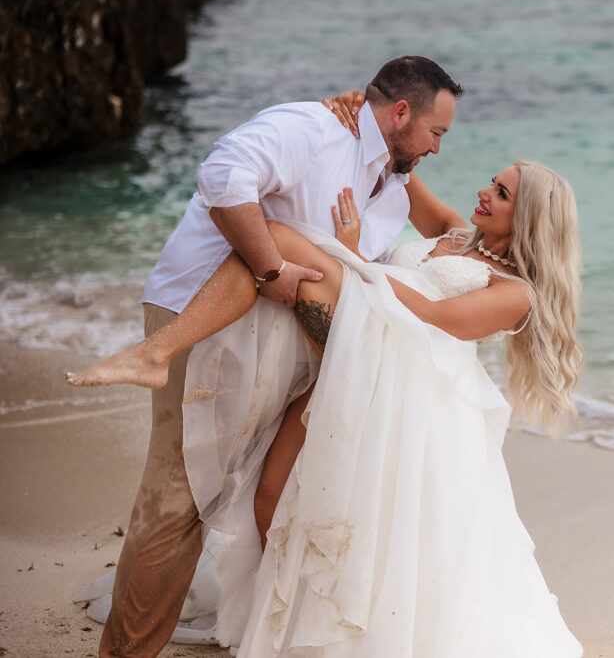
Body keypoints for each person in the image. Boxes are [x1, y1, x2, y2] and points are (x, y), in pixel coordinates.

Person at [70, 159, 585, 655]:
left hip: (404, 385)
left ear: (530, 218)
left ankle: (158, 352)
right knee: (271, 497)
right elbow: (401, 169)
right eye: (491, 182)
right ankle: (288, 617)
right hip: (355, 359)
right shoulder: (453, 232)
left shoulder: (515, 293)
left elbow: (433, 317)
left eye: (501, 192)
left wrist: (353, 257)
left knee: (282, 239)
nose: (484, 192)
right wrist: (361, 115)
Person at [71, 55, 463, 657]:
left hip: (268, 344)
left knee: (211, 497)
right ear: (403, 112)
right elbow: (224, 175)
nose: (439, 147)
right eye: (437, 132)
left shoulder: (391, 176)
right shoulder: (311, 129)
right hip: (201, 322)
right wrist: (270, 266)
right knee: (179, 496)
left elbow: (447, 239)